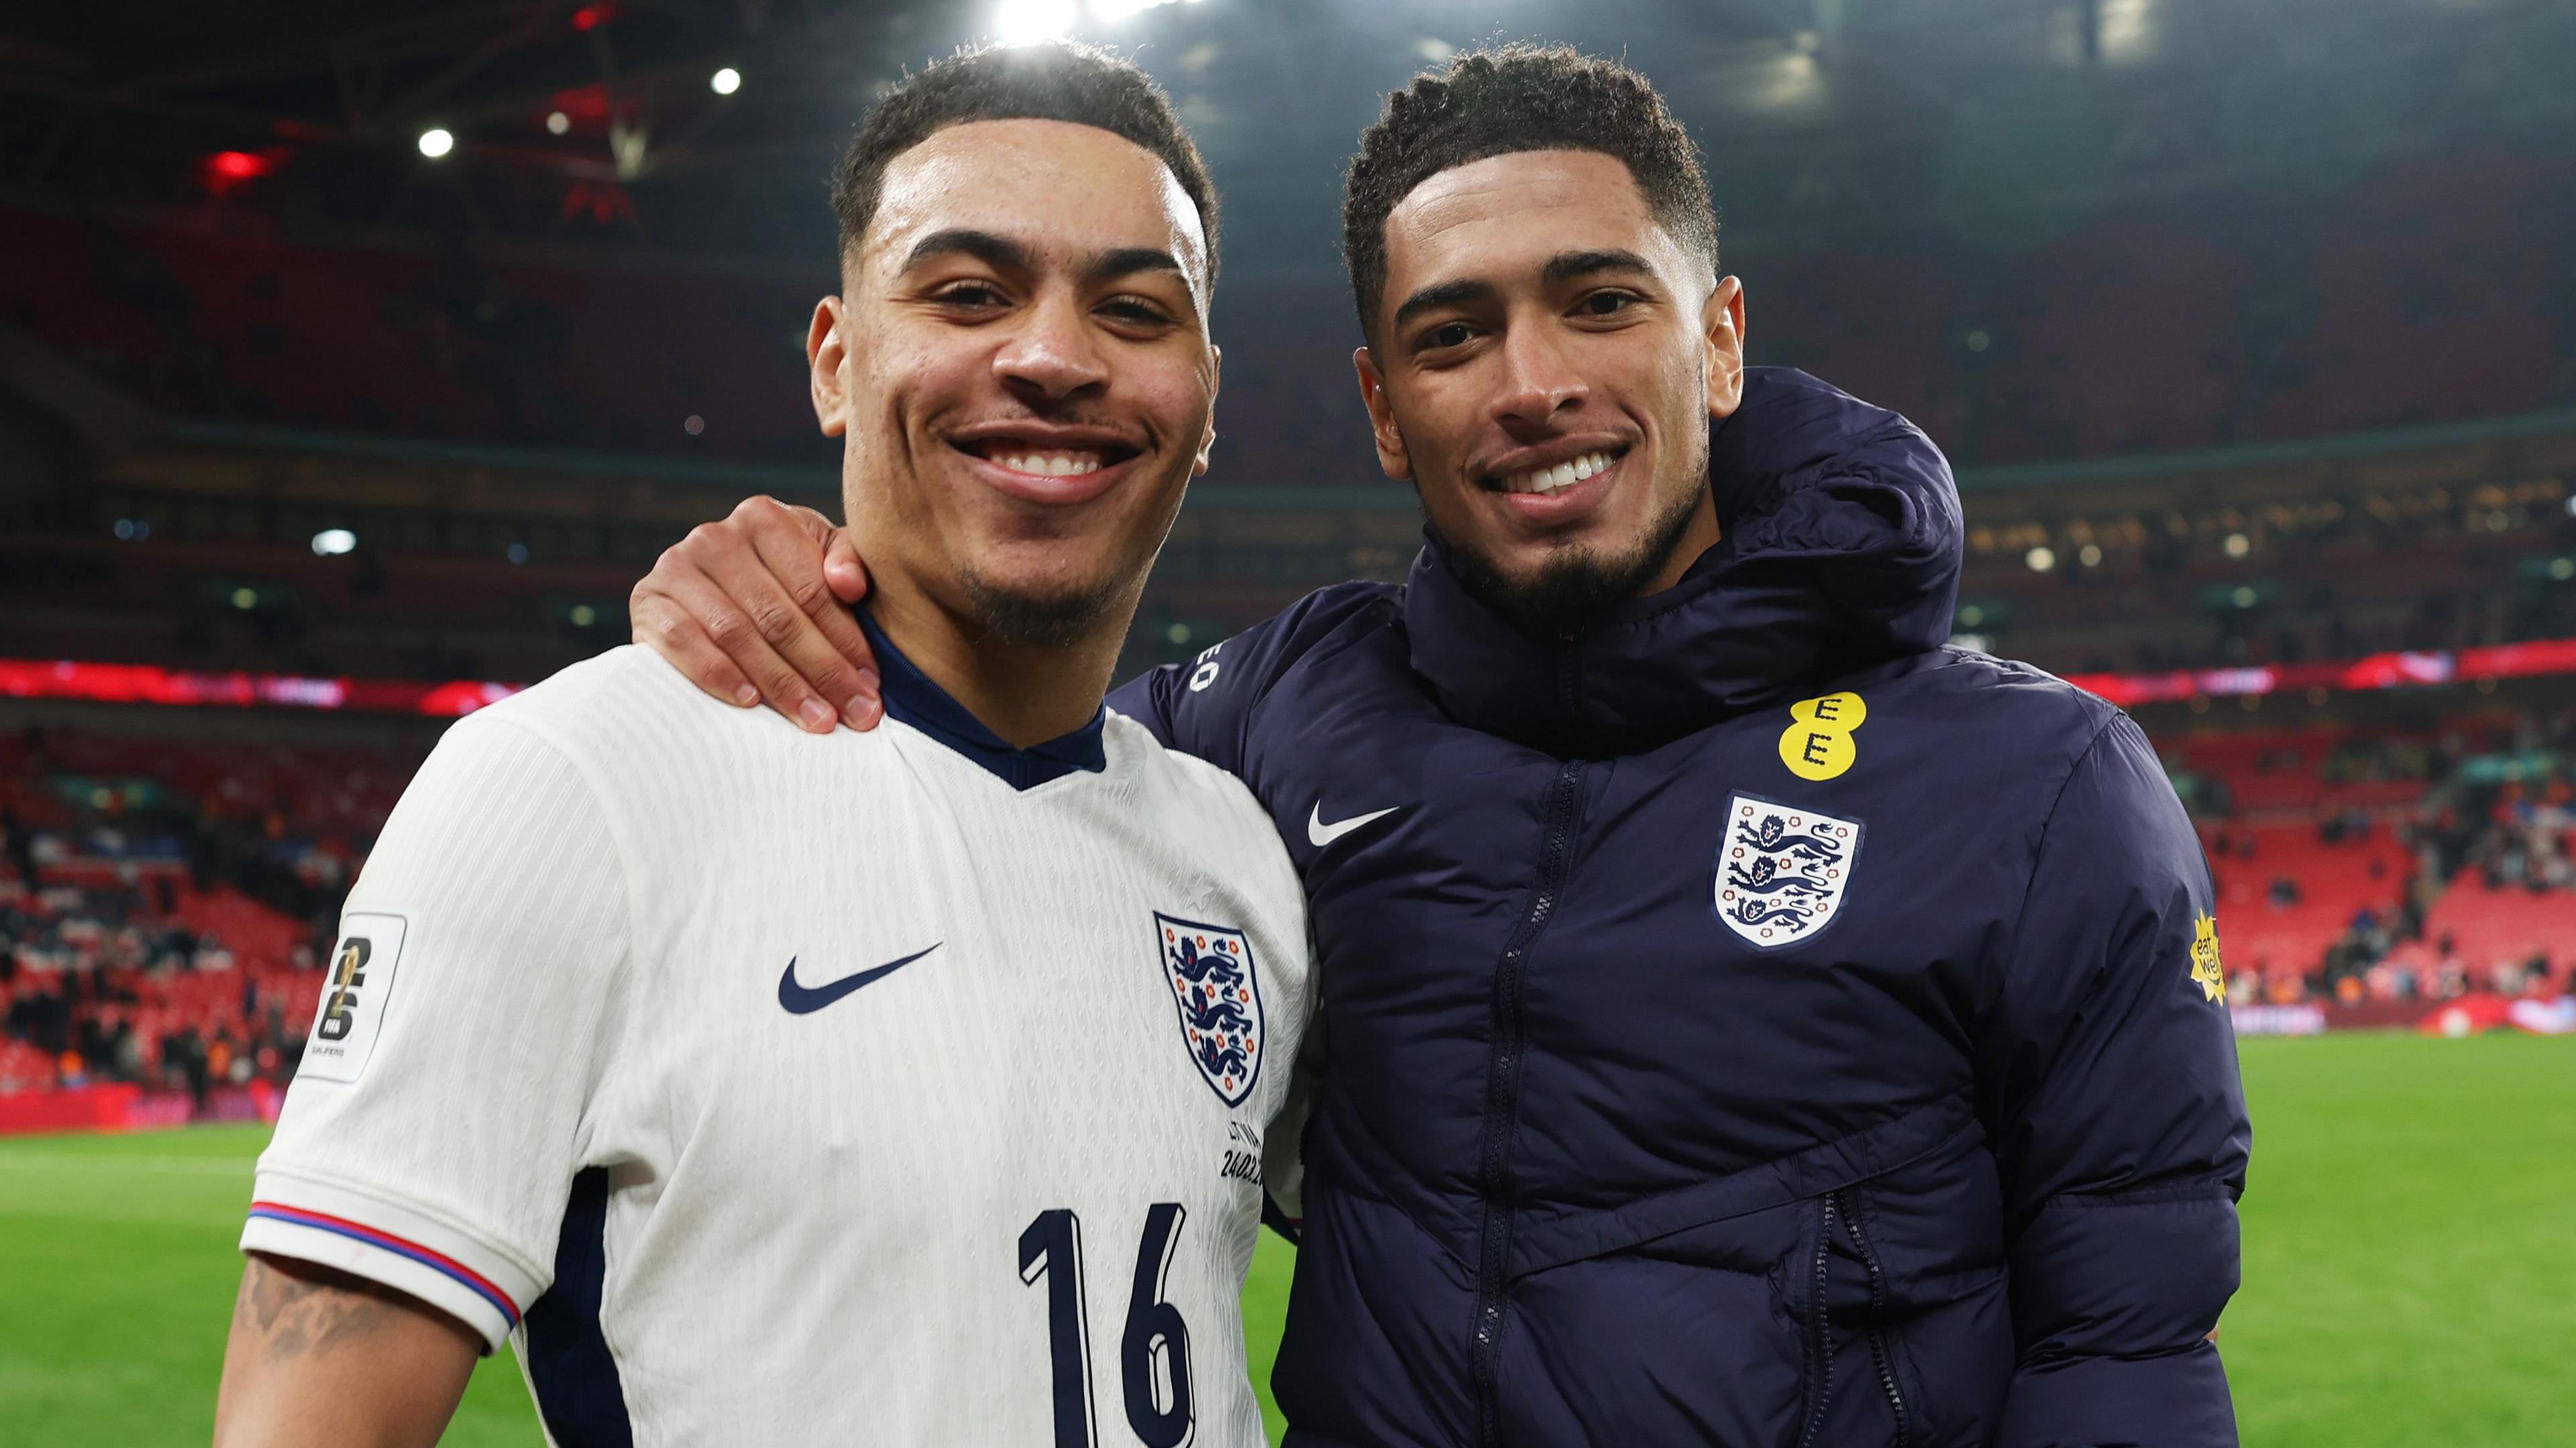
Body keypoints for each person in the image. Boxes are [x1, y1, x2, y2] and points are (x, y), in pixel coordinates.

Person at [635, 44, 2250, 1448]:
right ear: (1382, 406)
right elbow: (986, 747)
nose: (1533, 384)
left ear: (1720, 340)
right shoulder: (1273, 718)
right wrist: (797, 581)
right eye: (1453, 334)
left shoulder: (2038, 790)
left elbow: (2129, 1358)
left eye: (1600, 304)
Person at [213, 44, 1313, 1448]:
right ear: (837, 364)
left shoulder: (1240, 854)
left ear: (1206, 400)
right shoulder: (572, 785)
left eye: (1136, 309)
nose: (1050, 355)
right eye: (968, 294)